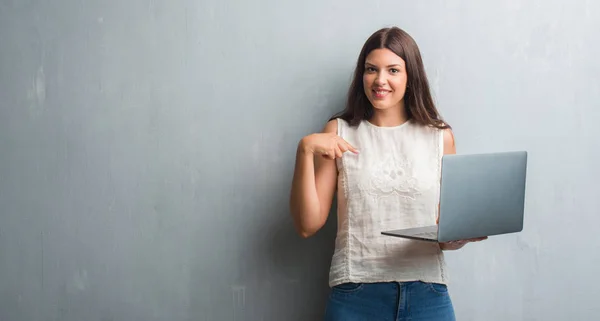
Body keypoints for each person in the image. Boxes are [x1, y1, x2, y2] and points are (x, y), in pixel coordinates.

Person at [289, 26, 486, 320]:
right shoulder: (339, 132)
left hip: (427, 293)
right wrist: (304, 150)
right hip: (356, 294)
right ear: (362, 75)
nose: (380, 80)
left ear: (411, 77)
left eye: (393, 70)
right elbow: (308, 225)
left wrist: (457, 237)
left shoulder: (440, 137)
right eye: (371, 70)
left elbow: (444, 231)